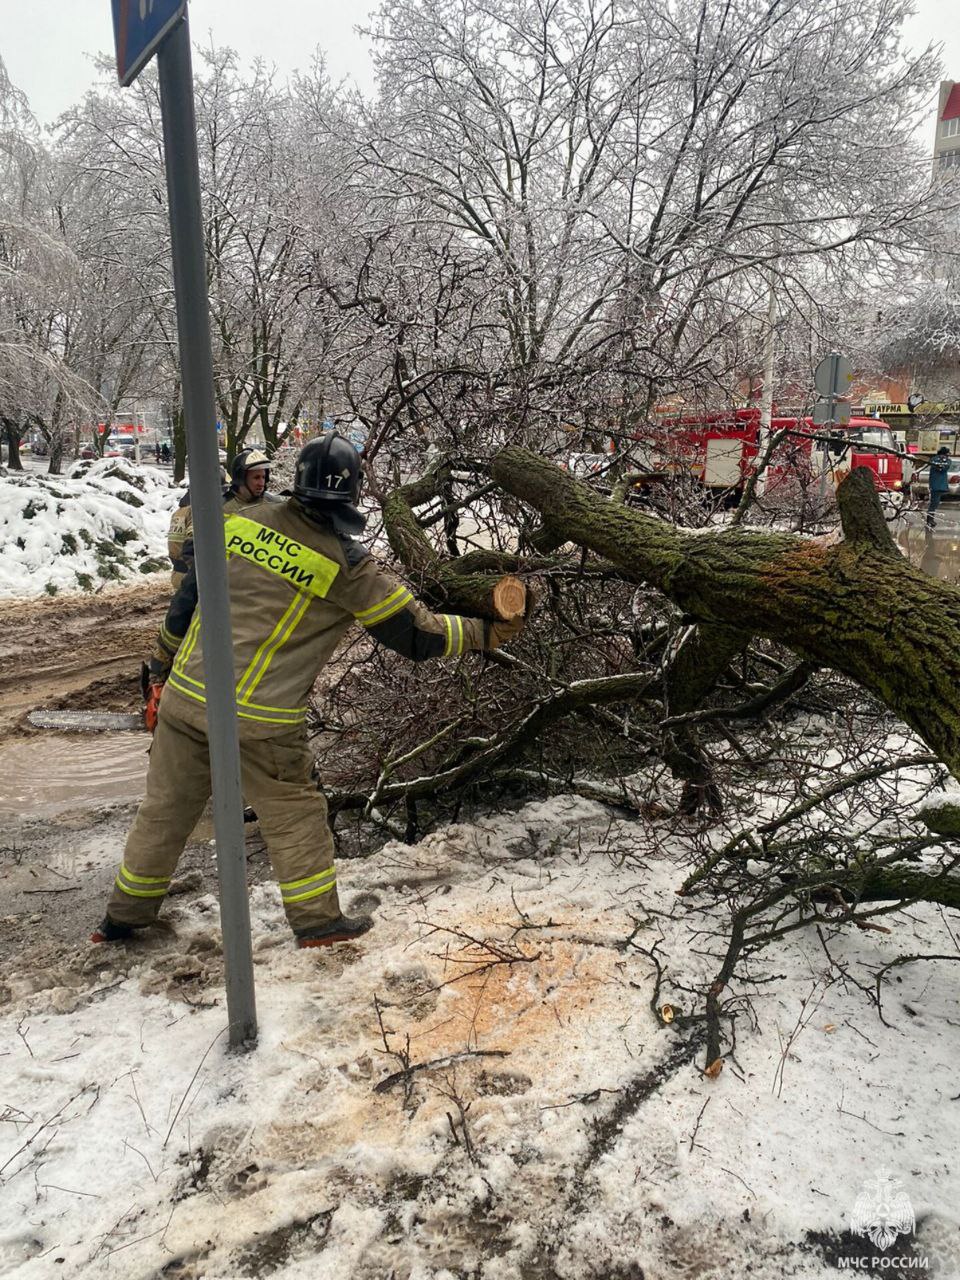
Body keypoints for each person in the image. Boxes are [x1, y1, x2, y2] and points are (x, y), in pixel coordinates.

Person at [94, 434, 524, 949]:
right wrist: (487, 632)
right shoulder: (347, 566)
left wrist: (161, 668)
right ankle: (318, 923)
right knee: (295, 813)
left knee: (163, 811)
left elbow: (185, 604)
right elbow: (418, 635)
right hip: (260, 717)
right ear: (351, 497)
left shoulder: (239, 523)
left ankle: (121, 920)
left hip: (187, 700)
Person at [167, 448, 275, 590]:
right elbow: (192, 549)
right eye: (256, 478)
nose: (261, 483)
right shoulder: (218, 509)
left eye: (263, 477)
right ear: (241, 478)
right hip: (222, 586)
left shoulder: (271, 504)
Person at [926, 446, 951, 529]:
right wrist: (943, 461)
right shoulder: (943, 460)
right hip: (938, 485)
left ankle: (930, 519)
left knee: (934, 503)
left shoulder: (933, 459)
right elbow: (944, 468)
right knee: (934, 503)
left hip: (934, 484)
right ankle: (929, 520)